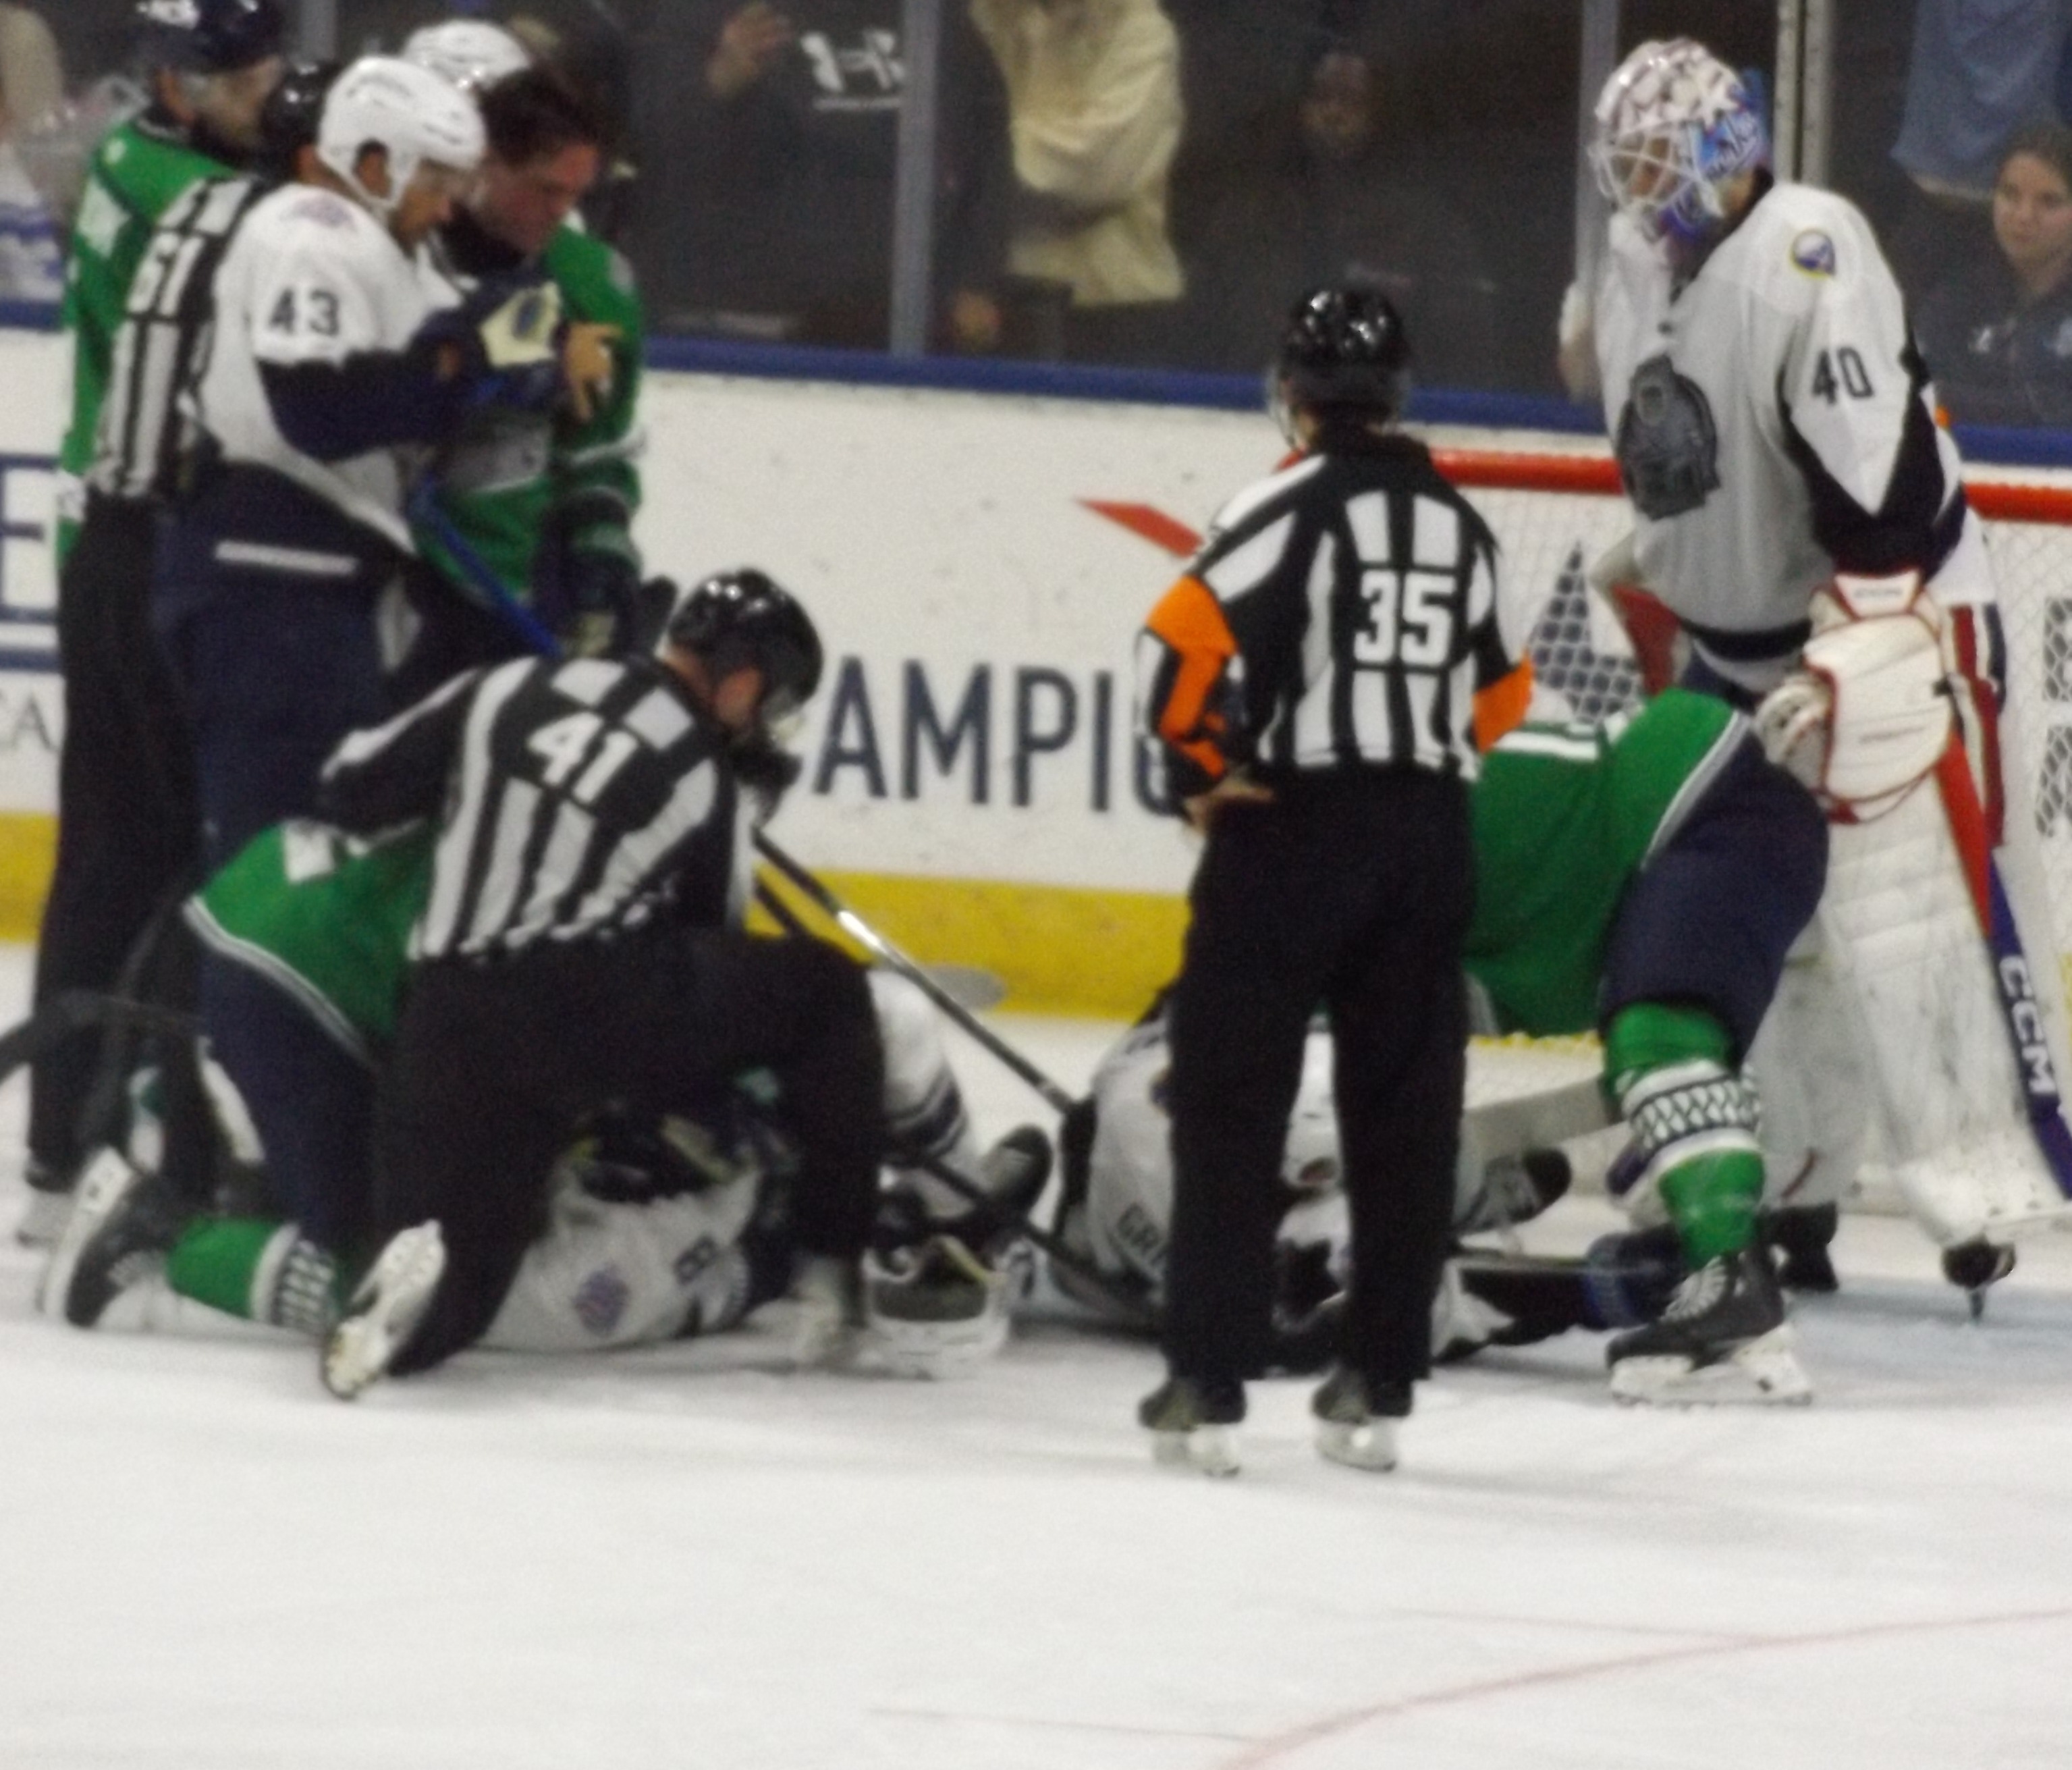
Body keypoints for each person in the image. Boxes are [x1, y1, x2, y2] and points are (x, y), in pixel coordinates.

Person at [1575, 36, 2025, 1303]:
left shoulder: (1808, 250)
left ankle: (1971, 1168)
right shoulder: (1641, 260)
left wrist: (1854, 664)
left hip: (1884, 628)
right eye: (1627, 167)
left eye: (1657, 164)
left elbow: (1883, 505)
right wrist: (1678, 568)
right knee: (1743, 923)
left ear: (1723, 155)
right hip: (1740, 655)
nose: (1639, 193)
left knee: (1904, 916)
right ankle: (1787, 1174)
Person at [1060, 681, 1828, 1400]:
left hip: (1707, 803)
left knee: (1659, 1032)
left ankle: (1735, 1290)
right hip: (1657, 847)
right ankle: (1676, 1258)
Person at [302, 572, 898, 1398]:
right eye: (771, 704)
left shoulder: (504, 685)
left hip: (448, 1013)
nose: (763, 724)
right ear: (741, 683)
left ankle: (409, 1319)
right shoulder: (707, 782)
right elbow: (711, 938)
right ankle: (829, 1266)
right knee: (826, 993)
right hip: (594, 1003)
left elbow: (351, 784)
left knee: (456, 1283)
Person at [1133, 285, 1520, 1476]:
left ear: (1291, 393)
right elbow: (1502, 696)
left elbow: (1171, 650)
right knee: (1406, 1117)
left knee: (1228, 1102)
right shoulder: (1463, 524)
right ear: (1397, 396)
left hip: (1294, 829)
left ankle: (1208, 1378)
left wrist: (1203, 774)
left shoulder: (1280, 501)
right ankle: (1378, 1381)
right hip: (1429, 835)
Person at [18, 0, 285, 1250]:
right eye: (241, 81)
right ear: (175, 84)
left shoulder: (139, 155)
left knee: (116, 849)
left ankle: (68, 1139)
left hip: (116, 544)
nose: (263, 97)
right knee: (157, 850)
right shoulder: (188, 194)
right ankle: (126, 1135)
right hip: (147, 554)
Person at [413, 52, 650, 661]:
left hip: (515, 595)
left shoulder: (590, 284)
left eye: (576, 193)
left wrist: (600, 554)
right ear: (485, 161)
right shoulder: (400, 251)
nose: (561, 210)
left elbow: (597, 452)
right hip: (396, 576)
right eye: (546, 189)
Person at [624, 0, 1005, 350]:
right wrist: (718, 80)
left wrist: (975, 280)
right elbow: (646, 152)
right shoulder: (700, 14)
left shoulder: (929, 18)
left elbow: (988, 155)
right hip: (740, 329)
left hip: (902, 330)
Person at [1183, 40, 1499, 387]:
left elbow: (1466, 357)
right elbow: (1199, 333)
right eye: (1321, 97)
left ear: (1379, 112)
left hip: (1384, 409)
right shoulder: (1248, 216)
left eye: (1351, 100)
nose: (1333, 113)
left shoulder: (1427, 228)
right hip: (1250, 406)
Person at [966, 0, 1183, 366]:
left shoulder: (1138, 30)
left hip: (1113, 316)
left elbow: (1090, 175)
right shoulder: (981, 16)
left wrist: (969, 158)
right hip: (990, 309)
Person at [1917, 123, 2072, 429]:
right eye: (2010, 195)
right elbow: (1916, 399)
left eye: (2049, 201)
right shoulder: (1955, 299)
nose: (2024, 216)